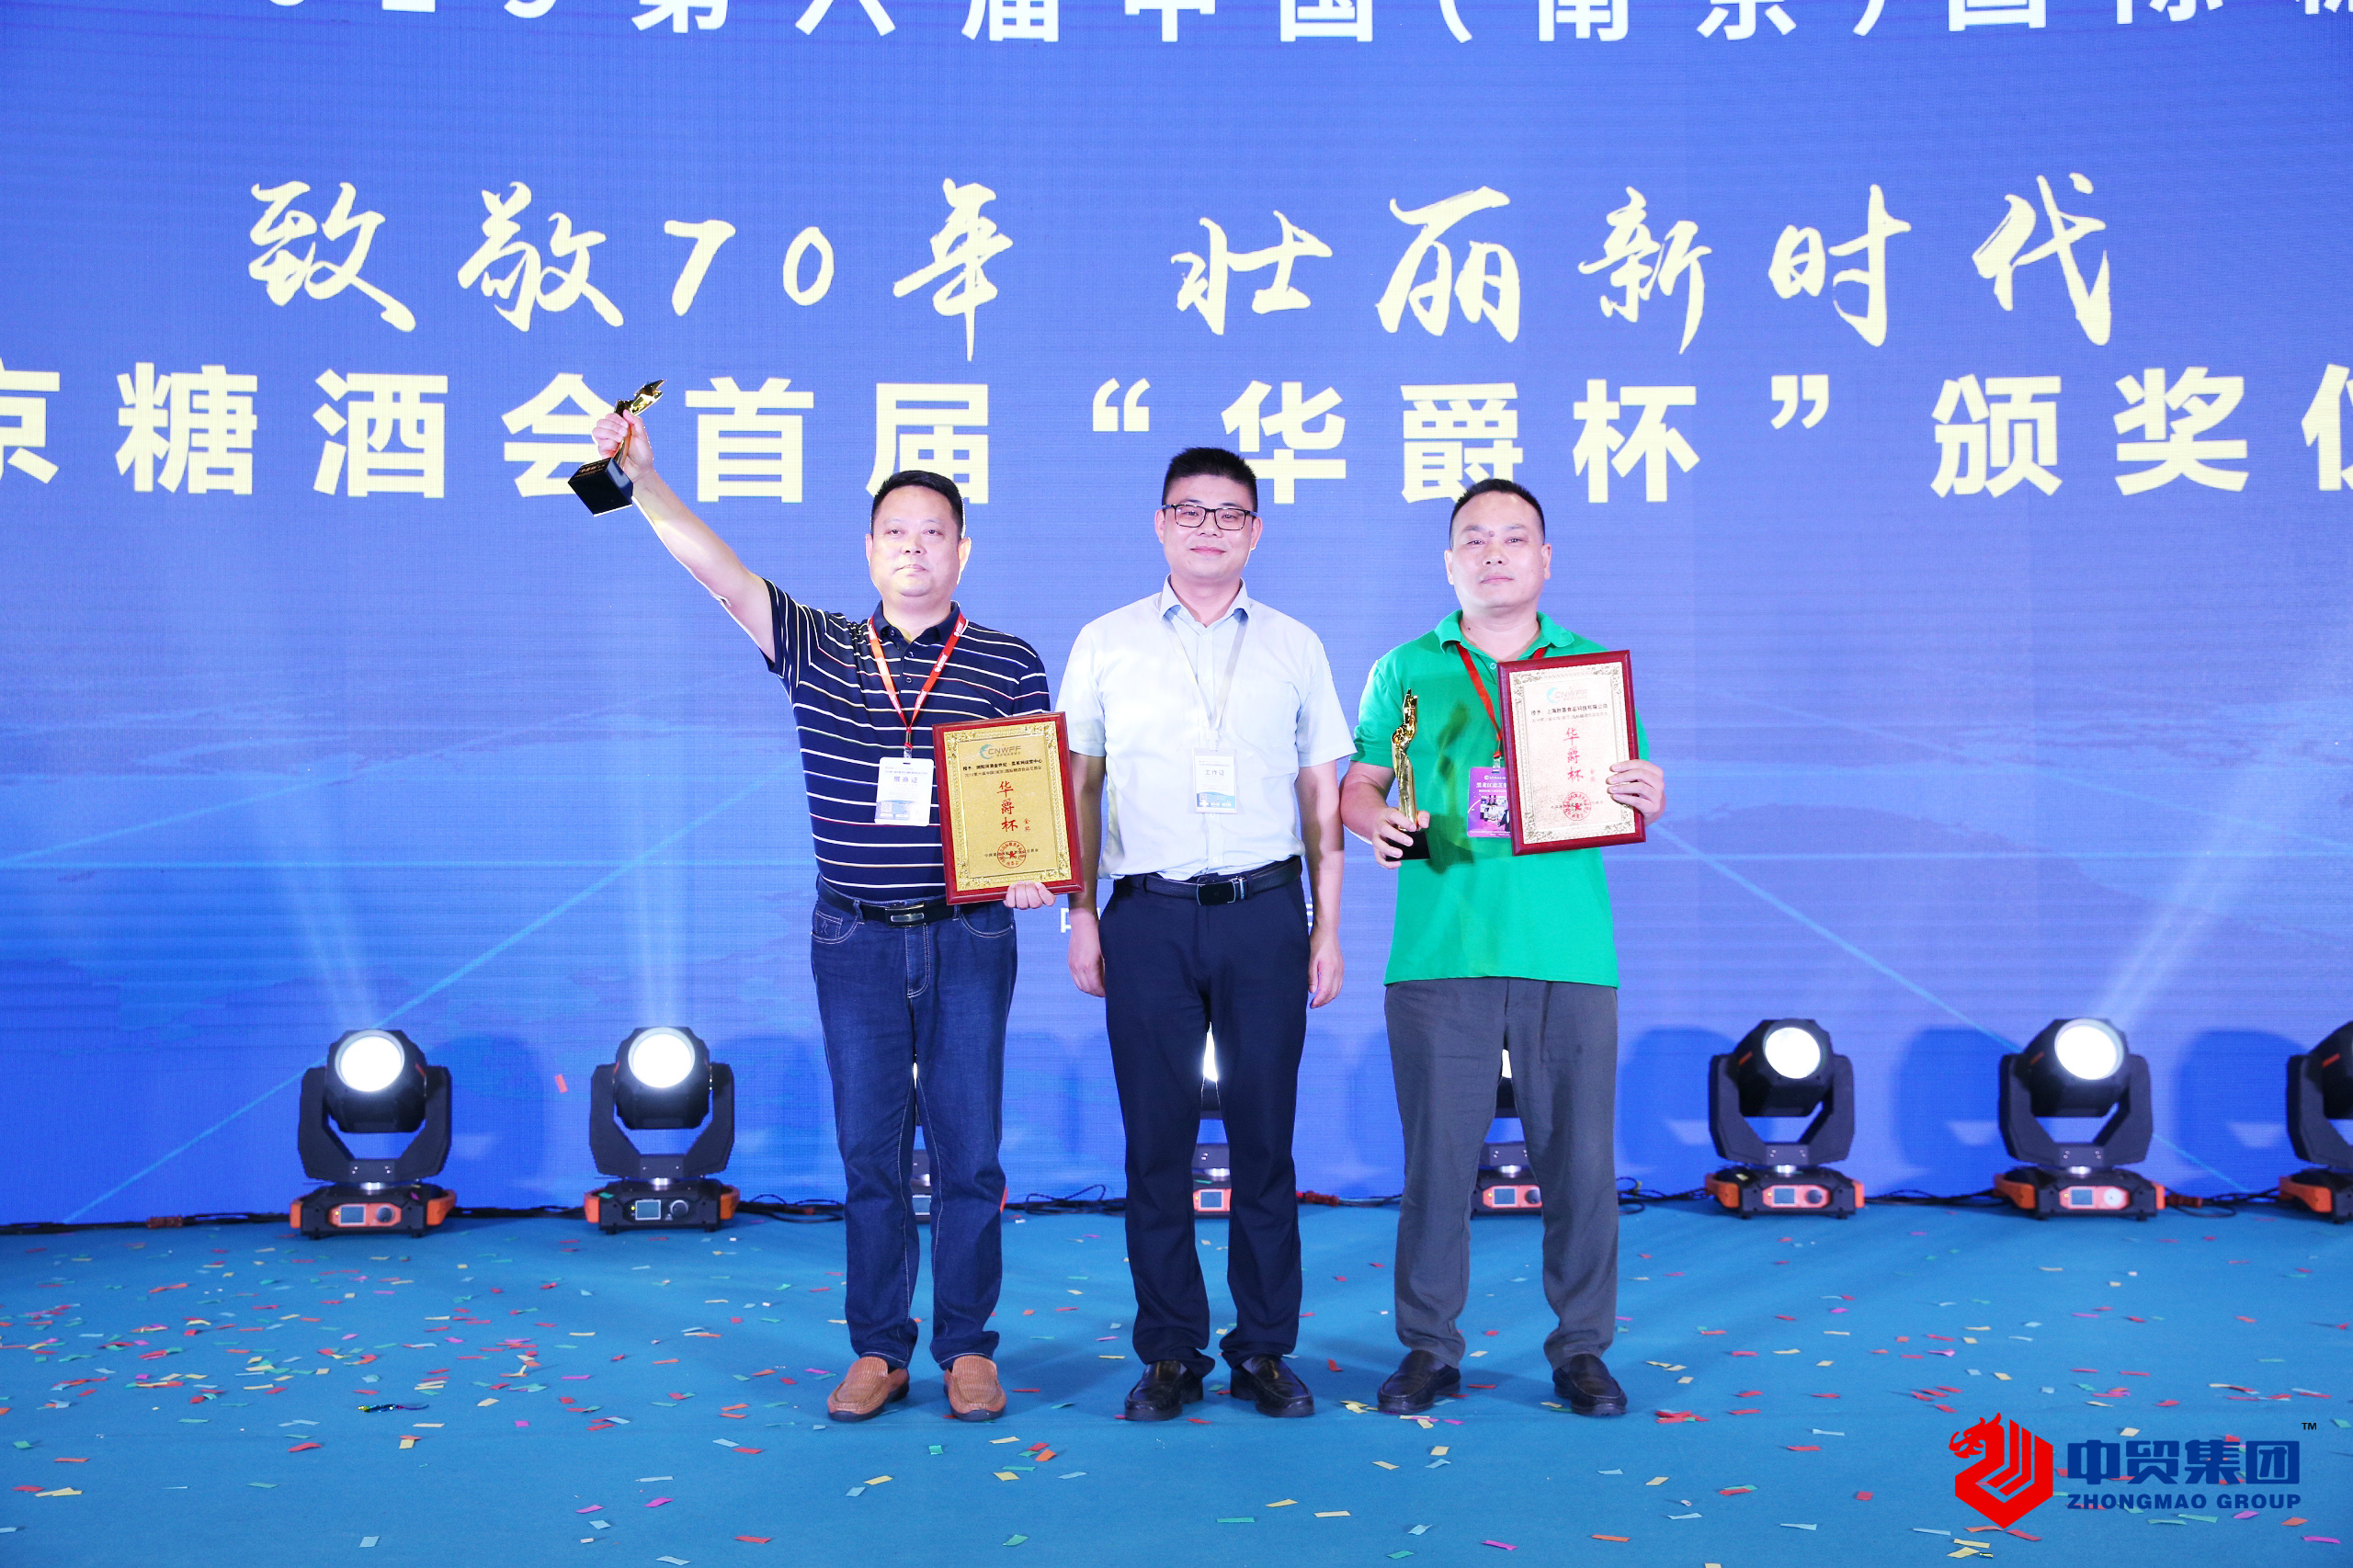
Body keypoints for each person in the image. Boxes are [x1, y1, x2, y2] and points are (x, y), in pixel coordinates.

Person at [591, 405, 1053, 1426]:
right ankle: (880, 1348)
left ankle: (967, 1347)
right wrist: (645, 481)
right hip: (853, 936)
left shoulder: (1009, 660)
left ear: (963, 549)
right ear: (869, 548)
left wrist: (1032, 869)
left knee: (970, 1151)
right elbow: (720, 575)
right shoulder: (818, 643)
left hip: (971, 933)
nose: (915, 548)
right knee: (869, 1153)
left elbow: (1029, 797)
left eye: (934, 532)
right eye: (896, 532)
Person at [1338, 477, 1666, 1420]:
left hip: (1568, 950)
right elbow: (1359, 783)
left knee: (1581, 1165)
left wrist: (1647, 791)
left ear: (1545, 558)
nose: (1494, 552)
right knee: (1437, 1166)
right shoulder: (1406, 667)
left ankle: (1582, 1348)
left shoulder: (1590, 672)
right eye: (1474, 539)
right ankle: (1428, 1347)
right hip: (1440, 949)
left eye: (1514, 537)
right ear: (1449, 562)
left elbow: (1629, 787)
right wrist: (1371, 818)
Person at [1058, 447, 1352, 1422]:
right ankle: (1170, 1351)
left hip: (1267, 913)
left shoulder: (1295, 645)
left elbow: (1321, 797)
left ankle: (1263, 1347)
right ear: (1160, 523)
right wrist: (1080, 912)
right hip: (1145, 915)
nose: (1209, 527)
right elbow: (1080, 786)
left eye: (1230, 513)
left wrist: (1327, 927)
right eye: (1190, 510)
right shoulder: (1105, 640)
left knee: (1266, 1143)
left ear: (1256, 531)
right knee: (1157, 1147)